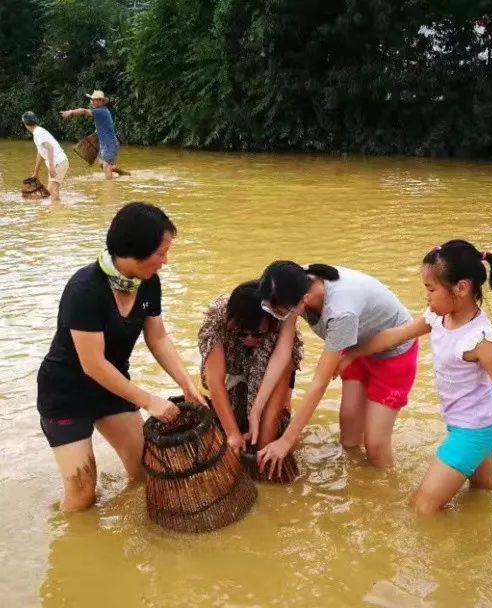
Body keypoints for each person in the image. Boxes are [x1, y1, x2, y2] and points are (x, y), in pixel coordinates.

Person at [342, 241, 492, 515]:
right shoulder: (438, 317)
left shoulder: (481, 342)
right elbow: (393, 337)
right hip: (468, 425)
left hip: (475, 432)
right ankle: (486, 547)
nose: (427, 296)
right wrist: (353, 354)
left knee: (422, 508)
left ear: (462, 288)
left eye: (431, 289)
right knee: (483, 499)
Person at [36, 202, 205, 512]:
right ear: (134, 250)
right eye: (161, 253)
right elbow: (93, 365)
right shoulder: (85, 289)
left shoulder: (149, 283)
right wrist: (150, 401)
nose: (165, 261)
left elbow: (158, 337)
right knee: (82, 494)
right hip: (65, 394)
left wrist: (188, 385)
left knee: (146, 473)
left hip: (112, 389)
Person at [253, 262, 418, 475]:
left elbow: (319, 383)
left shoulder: (341, 312)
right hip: (352, 349)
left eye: (281, 312)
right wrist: (257, 409)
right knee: (349, 433)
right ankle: (356, 484)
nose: (277, 315)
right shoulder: (291, 282)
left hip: (393, 355)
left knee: (376, 445)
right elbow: (282, 353)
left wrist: (286, 440)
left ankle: (386, 492)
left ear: (303, 301)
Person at [197, 280, 304, 455]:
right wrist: (232, 434)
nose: (249, 339)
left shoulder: (281, 330)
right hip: (234, 363)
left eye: (257, 334)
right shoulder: (216, 322)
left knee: (276, 420)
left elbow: (275, 399)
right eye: (242, 333)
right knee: (231, 419)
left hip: (273, 365)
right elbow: (215, 380)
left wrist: (264, 448)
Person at [61, 90, 123, 180]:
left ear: (102, 101)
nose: (94, 101)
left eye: (97, 100)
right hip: (107, 144)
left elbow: (83, 111)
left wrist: (70, 112)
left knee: (106, 167)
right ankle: (122, 174)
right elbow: (87, 115)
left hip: (110, 144)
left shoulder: (101, 112)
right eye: (93, 100)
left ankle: (110, 189)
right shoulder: (101, 111)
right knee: (102, 163)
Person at [22, 111, 69, 203]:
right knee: (52, 189)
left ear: (25, 124)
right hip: (61, 162)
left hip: (58, 163)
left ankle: (57, 212)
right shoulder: (38, 131)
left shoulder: (38, 133)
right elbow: (40, 153)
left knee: (51, 189)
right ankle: (57, 211)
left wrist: (51, 167)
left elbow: (50, 148)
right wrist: (36, 173)